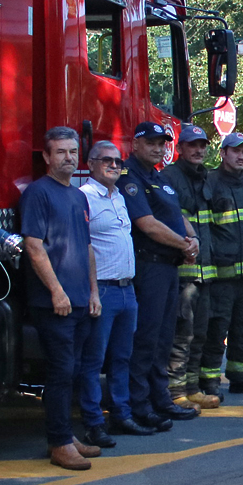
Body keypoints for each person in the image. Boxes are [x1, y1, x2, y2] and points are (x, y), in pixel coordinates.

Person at [21, 127, 101, 470]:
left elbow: (86, 247)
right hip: (55, 303)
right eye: (60, 152)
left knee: (76, 371)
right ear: (46, 157)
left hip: (81, 300)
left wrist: (94, 291)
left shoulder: (78, 196)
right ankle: (58, 443)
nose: (68, 157)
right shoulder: (38, 194)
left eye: (72, 151)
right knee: (60, 373)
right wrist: (57, 291)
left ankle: (68, 437)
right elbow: (34, 246)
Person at [118, 121, 200, 431]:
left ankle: (159, 398)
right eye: (150, 142)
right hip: (148, 266)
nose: (157, 147)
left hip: (169, 266)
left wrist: (192, 239)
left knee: (164, 337)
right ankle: (139, 405)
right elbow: (146, 223)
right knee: (146, 338)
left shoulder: (158, 177)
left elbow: (176, 214)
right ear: (135, 144)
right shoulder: (130, 177)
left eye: (162, 143)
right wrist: (184, 244)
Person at [76, 141, 142, 445]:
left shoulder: (119, 197)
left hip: (127, 290)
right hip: (102, 289)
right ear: (90, 164)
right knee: (93, 361)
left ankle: (121, 415)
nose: (114, 166)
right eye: (107, 161)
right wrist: (92, 292)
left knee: (122, 358)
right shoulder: (84, 198)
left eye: (118, 162)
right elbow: (82, 248)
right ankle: (93, 423)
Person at [201, 131, 243, 396]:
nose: (241, 156)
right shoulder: (210, 181)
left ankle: (241, 378)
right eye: (236, 151)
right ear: (223, 153)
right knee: (216, 329)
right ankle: (208, 381)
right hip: (222, 273)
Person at [163, 124, 220, 411]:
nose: (199, 150)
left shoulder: (204, 178)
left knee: (200, 333)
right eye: (192, 145)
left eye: (202, 145)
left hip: (205, 272)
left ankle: (193, 388)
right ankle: (175, 392)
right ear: (180, 149)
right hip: (182, 272)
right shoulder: (169, 178)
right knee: (181, 335)